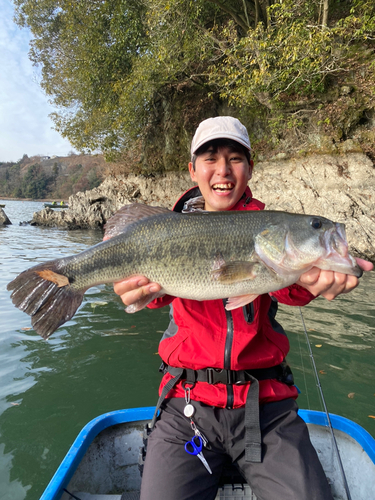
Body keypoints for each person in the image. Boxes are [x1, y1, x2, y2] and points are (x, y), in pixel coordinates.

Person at [110, 116, 373, 500]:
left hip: (268, 409)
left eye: (235, 159)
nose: (223, 171)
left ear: (250, 168)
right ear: (193, 170)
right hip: (186, 406)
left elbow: (287, 291)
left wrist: (315, 282)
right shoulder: (170, 229)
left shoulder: (269, 229)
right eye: (210, 159)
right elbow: (159, 294)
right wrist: (140, 295)